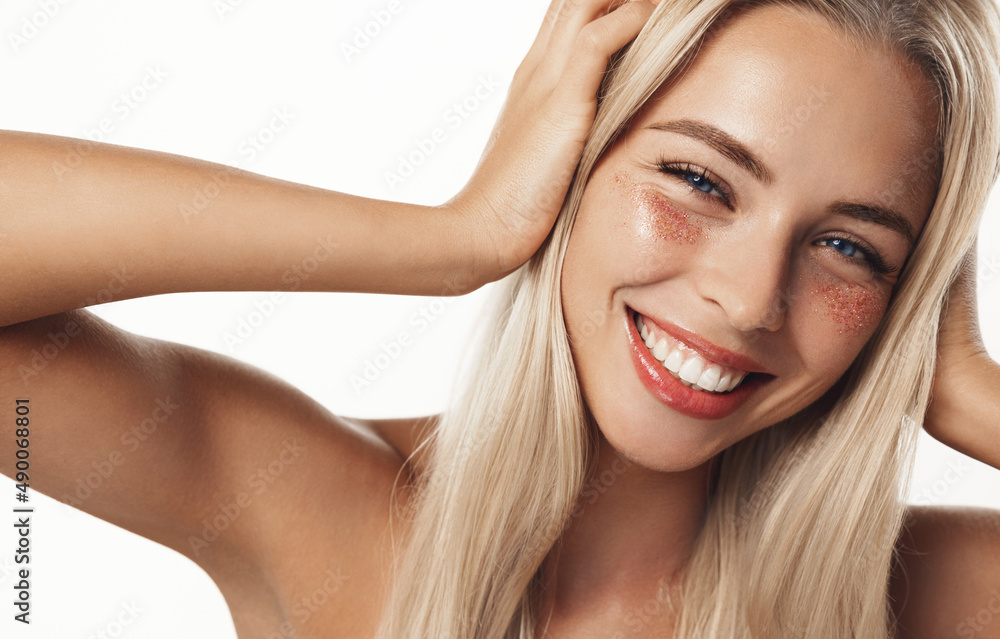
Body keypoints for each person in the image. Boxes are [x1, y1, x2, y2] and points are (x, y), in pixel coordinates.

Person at [2, 0, 999, 636]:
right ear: (570, 159)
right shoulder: (320, 512)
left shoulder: (931, 596)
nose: (745, 298)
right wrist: (456, 239)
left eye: (849, 247)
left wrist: (968, 397)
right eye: (697, 179)